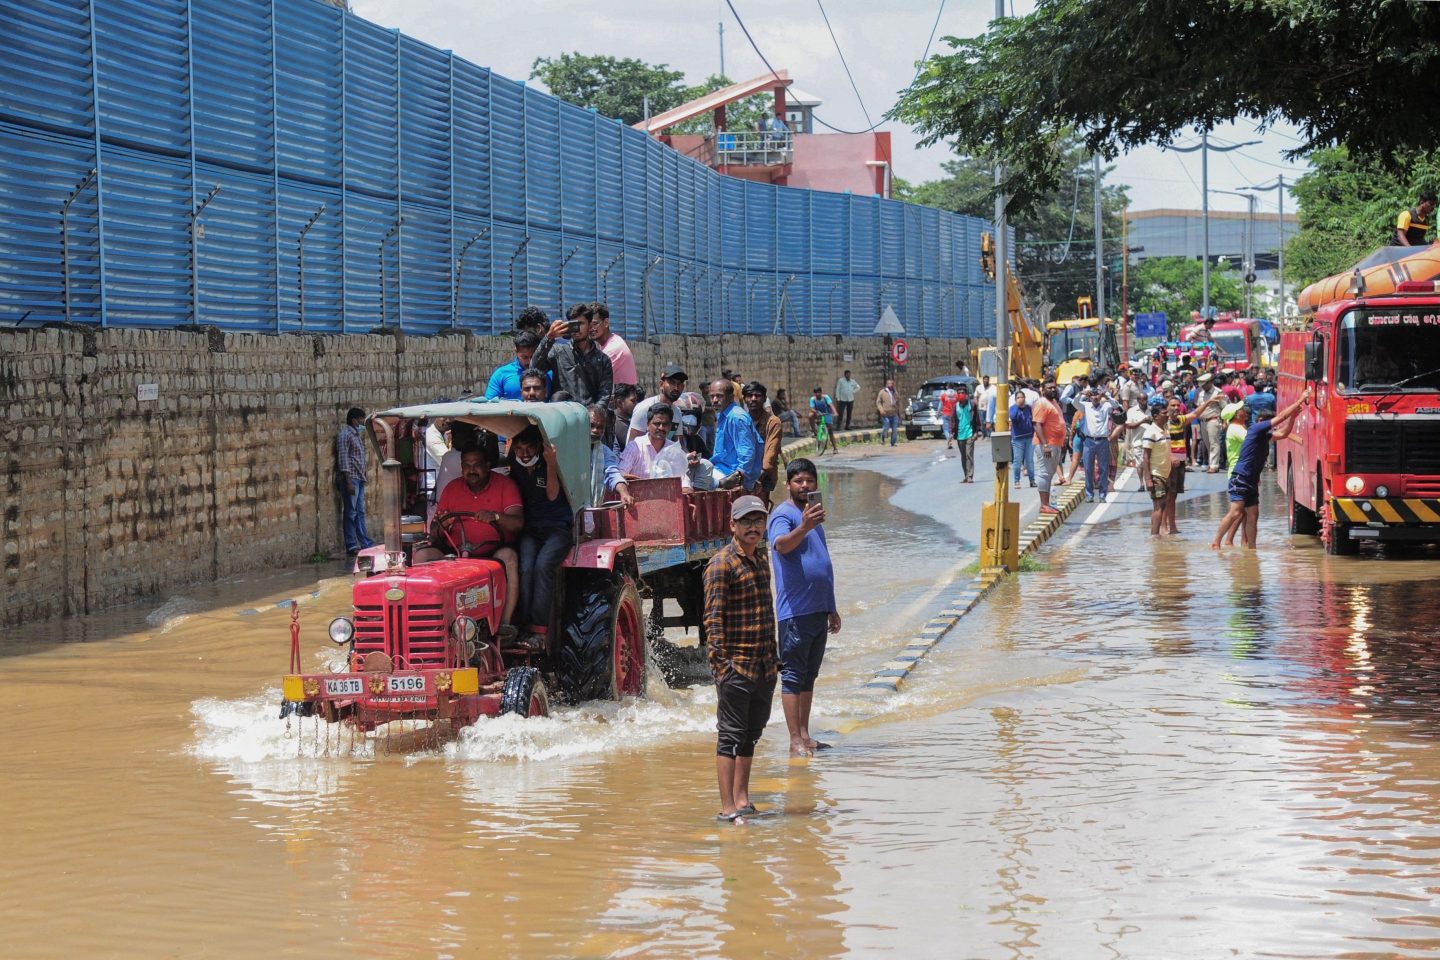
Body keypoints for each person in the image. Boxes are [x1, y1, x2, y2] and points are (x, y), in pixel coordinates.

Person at [704, 495, 779, 824]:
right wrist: (723, 668)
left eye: (758, 521)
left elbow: (767, 612)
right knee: (730, 736)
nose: (753, 527)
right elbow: (713, 620)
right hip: (736, 667)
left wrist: (774, 661)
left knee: (752, 734)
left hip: (764, 665)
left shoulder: (761, 558)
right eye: (746, 521)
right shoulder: (721, 564)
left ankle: (743, 798)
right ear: (732, 525)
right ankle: (727, 808)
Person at [767, 458, 839, 757]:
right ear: (788, 484)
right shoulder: (784, 514)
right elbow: (781, 545)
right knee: (793, 676)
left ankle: (806, 735)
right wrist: (805, 526)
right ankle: (795, 739)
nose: (805, 486)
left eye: (810, 481)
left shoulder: (813, 517)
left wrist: (831, 607)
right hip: (794, 611)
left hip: (818, 610)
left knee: (809, 675)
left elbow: (823, 562)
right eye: (799, 481)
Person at [433, 446, 522, 637]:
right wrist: (443, 524)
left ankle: (504, 625)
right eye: (466, 465)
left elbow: (517, 523)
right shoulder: (452, 488)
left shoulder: (505, 485)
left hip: (493, 550)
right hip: (455, 552)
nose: (471, 470)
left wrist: (496, 517)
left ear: (488, 465)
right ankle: (433, 624)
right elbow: (433, 532)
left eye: (476, 465)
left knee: (509, 557)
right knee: (423, 554)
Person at [1213, 394, 1307, 549]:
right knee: (1236, 512)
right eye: (1242, 410)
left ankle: (1251, 548)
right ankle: (1216, 542)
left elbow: (1283, 433)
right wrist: (1299, 399)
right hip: (1241, 477)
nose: (1245, 411)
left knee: (1253, 514)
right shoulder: (1255, 429)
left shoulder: (1262, 435)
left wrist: (1294, 417)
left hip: (1251, 479)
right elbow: (1281, 416)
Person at [507, 426, 572, 641]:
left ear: (538, 448)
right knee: (525, 567)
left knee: (543, 566)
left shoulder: (548, 464)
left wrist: (551, 462)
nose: (524, 454)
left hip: (557, 528)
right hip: (531, 529)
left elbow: (552, 495)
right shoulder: (514, 466)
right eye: (519, 449)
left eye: (528, 448)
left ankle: (539, 629)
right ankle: (523, 624)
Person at [530, 303, 613, 406]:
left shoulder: (603, 360)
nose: (577, 329)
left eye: (581, 323)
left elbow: (604, 395)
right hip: (564, 414)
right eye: (573, 324)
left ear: (590, 325)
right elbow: (534, 367)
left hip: (589, 417)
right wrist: (548, 338)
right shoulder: (558, 352)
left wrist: (594, 414)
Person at [619, 402, 693, 489]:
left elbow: (684, 480)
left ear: (670, 427)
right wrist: (645, 483)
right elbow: (620, 475)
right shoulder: (635, 446)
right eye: (657, 424)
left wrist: (686, 488)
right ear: (647, 425)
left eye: (665, 424)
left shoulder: (674, 450)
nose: (661, 428)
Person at [708, 378, 761, 489]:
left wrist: (738, 477)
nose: (715, 400)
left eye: (719, 396)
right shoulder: (722, 415)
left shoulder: (736, 417)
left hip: (730, 473)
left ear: (731, 398)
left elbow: (747, 452)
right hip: (721, 468)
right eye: (712, 396)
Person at [337, 406, 375, 555]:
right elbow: (344, 458)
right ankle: (351, 545)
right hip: (351, 479)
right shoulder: (345, 435)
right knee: (351, 513)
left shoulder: (355, 435)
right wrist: (348, 481)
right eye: (361, 419)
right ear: (354, 420)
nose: (362, 422)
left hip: (358, 478)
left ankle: (365, 543)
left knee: (359, 513)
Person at [587, 404, 634, 509]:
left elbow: (612, 472)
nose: (596, 430)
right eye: (592, 425)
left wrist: (624, 492)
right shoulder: (572, 448)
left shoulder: (605, 452)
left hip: (590, 509)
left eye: (600, 427)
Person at [744, 381, 783, 505]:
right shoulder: (742, 420)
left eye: (757, 395)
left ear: (764, 398)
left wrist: (757, 477)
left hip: (764, 475)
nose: (753, 399)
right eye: (749, 396)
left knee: (759, 512)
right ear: (744, 399)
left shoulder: (773, 422)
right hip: (743, 473)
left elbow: (771, 453)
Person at [629, 363, 688, 444]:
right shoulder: (644, 408)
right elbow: (632, 445)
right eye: (672, 383)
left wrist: (688, 455)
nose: (676, 388)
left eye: (679, 384)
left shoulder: (677, 413)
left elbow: (679, 446)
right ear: (661, 384)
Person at [1073, 387, 1115, 502]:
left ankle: (1102, 494)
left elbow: (1116, 405)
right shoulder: (1085, 406)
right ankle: (1089, 494)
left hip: (1103, 441)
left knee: (1103, 468)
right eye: (1092, 395)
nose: (1095, 397)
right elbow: (1074, 402)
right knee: (1088, 468)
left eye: (1097, 395)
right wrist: (1082, 393)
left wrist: (1106, 394)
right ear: (1089, 397)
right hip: (1089, 441)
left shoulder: (1106, 406)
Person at [1031, 382, 1066, 515]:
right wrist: (1045, 445)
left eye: (1054, 388)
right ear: (1042, 390)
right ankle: (1044, 505)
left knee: (1049, 474)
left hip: (1055, 443)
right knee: (1044, 473)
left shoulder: (1054, 402)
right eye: (1049, 388)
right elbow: (1037, 425)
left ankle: (1047, 504)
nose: (1052, 390)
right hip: (1046, 444)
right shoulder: (1041, 403)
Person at [587, 302, 637, 387]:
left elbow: (593, 382)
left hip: (623, 398)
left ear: (606, 323)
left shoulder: (612, 349)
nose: (591, 329)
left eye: (595, 324)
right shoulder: (610, 341)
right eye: (589, 325)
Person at [484, 331, 543, 400]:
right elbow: (489, 403)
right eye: (524, 357)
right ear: (516, 352)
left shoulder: (549, 373)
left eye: (533, 357)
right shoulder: (501, 374)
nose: (529, 361)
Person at [1194, 372, 1227, 473]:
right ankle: (1211, 463)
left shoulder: (1217, 392)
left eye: (1204, 384)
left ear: (1210, 382)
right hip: (1203, 421)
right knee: (1208, 443)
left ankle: (1214, 465)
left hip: (1213, 419)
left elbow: (1224, 408)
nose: (1203, 387)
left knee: (1214, 443)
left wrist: (1225, 421)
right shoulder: (1201, 393)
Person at [1009, 389, 1035, 487]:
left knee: (1029, 460)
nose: (1021, 399)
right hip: (1017, 438)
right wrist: (1017, 406)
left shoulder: (1029, 408)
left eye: (1022, 397)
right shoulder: (1013, 408)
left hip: (1029, 437)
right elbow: (1013, 417)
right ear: (1015, 399)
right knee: (1017, 460)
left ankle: (1032, 480)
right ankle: (1017, 481)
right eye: (1018, 398)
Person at [954, 387, 978, 482]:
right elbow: (953, 420)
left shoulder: (971, 405)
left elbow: (976, 419)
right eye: (959, 393)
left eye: (962, 392)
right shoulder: (955, 407)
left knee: (969, 455)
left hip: (970, 433)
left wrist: (976, 432)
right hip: (960, 435)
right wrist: (952, 433)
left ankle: (970, 476)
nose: (961, 394)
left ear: (966, 394)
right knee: (963, 456)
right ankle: (966, 475)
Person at [607, 383, 640, 451]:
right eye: (633, 401)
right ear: (620, 402)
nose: (636, 404)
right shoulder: (618, 424)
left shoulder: (625, 421)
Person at [808, 387, 838, 455]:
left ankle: (835, 448)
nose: (817, 394)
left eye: (819, 392)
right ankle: (815, 431)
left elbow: (831, 405)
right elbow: (812, 408)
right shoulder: (813, 399)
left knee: (830, 431)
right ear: (814, 393)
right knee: (810, 415)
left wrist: (835, 412)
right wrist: (816, 412)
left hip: (826, 413)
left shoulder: (826, 397)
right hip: (818, 413)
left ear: (821, 392)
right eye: (816, 393)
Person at [876, 379, 900, 446]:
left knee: (894, 429)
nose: (890, 385)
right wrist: (881, 410)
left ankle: (893, 442)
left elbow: (898, 401)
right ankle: (882, 438)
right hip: (885, 414)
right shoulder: (882, 392)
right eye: (889, 383)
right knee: (886, 427)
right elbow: (878, 402)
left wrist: (897, 409)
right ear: (886, 384)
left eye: (892, 384)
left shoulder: (895, 392)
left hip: (894, 414)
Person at [938, 382, 960, 449]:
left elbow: (940, 405)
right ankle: (950, 440)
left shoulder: (943, 394)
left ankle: (949, 437)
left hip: (945, 414)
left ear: (947, 387)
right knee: (952, 428)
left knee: (945, 428)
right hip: (954, 414)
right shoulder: (956, 395)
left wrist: (937, 413)